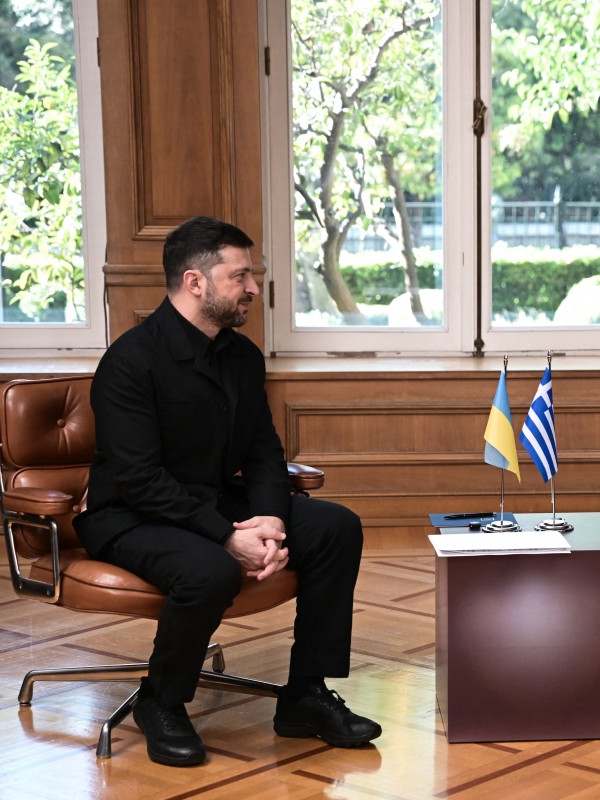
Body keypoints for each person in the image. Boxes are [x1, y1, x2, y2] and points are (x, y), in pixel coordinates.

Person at [75, 216, 380, 766]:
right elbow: (139, 480)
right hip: (131, 515)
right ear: (196, 283)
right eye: (241, 276)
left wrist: (270, 521)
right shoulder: (129, 362)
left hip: (219, 504)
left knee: (336, 527)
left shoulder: (241, 356)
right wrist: (226, 537)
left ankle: (304, 696)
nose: (254, 288)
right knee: (210, 569)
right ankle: (161, 701)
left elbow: (264, 452)